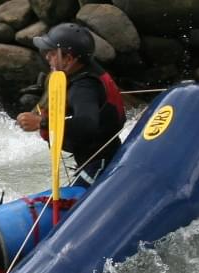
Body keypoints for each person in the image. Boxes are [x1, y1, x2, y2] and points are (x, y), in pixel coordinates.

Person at [13, 23, 127, 179]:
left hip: (100, 164)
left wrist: (41, 122)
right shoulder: (83, 70)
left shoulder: (84, 87)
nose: (47, 57)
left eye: (52, 53)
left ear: (68, 58)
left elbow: (87, 124)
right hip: (101, 156)